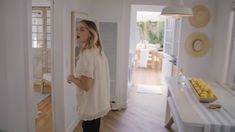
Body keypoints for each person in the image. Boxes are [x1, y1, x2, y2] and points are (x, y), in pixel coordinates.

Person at [67, 19, 110, 132]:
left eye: (82, 29)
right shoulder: (99, 51)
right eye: (77, 29)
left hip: (90, 105)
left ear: (91, 33)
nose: (77, 32)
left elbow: (86, 86)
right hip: (98, 103)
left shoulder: (87, 54)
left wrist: (72, 78)